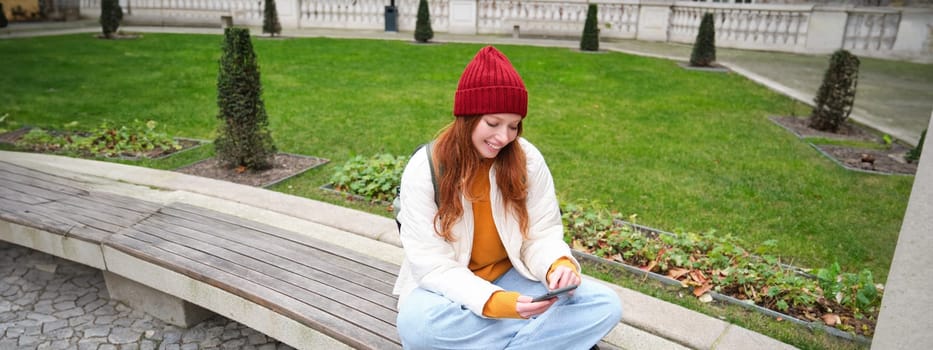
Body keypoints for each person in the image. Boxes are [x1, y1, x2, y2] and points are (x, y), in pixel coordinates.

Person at [394, 45, 623, 350]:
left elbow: (540, 234)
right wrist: (496, 303)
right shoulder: (425, 168)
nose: (504, 137)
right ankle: (545, 338)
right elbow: (432, 266)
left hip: (513, 276)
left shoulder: (527, 160)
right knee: (418, 327)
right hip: (446, 289)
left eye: (513, 126)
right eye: (493, 123)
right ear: (467, 115)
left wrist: (557, 265)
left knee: (605, 305)